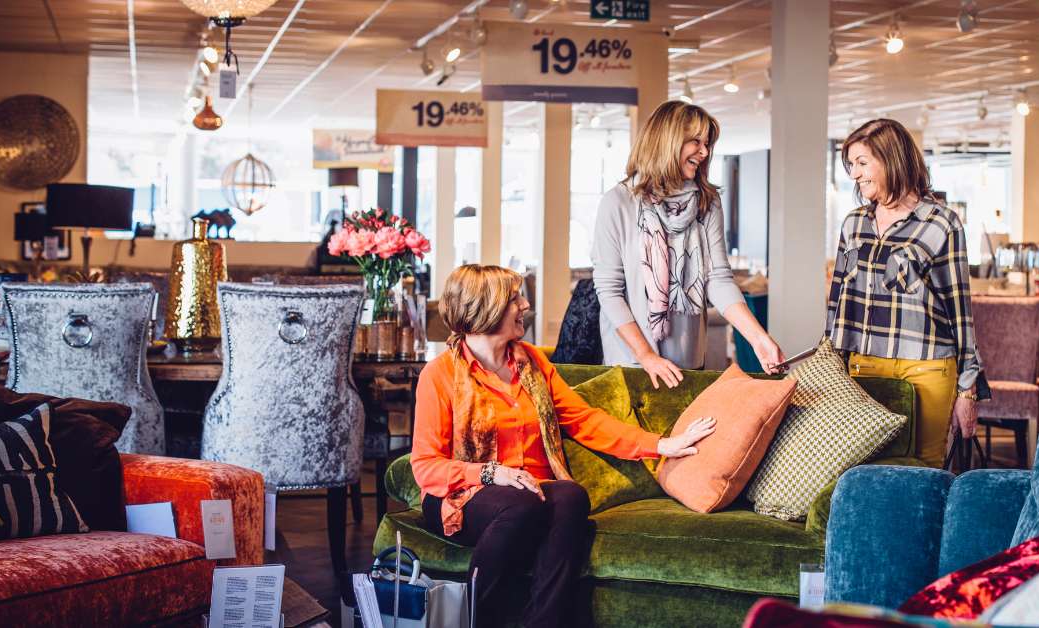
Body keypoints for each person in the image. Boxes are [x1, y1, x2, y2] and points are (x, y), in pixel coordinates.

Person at [411, 264, 715, 628]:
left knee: (571, 495)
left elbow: (584, 420)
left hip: (529, 491)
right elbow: (425, 467)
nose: (525, 305)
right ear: (486, 309)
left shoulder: (532, 362)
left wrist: (661, 445)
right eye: (514, 299)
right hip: (461, 494)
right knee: (521, 504)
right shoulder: (440, 374)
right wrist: (492, 474)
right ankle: (481, 619)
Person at [826, 118, 990, 468]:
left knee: (925, 469)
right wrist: (830, 358)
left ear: (891, 159)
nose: (854, 174)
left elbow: (959, 309)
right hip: (866, 362)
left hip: (928, 363)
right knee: (865, 467)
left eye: (862, 163)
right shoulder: (854, 223)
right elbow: (838, 299)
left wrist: (968, 388)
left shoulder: (942, 223)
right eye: (851, 165)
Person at [592, 101, 786, 388]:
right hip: (633, 362)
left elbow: (717, 279)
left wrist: (759, 339)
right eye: (696, 141)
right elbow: (609, 291)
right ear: (667, 141)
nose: (704, 152)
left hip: (689, 356)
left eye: (707, 144)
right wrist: (646, 356)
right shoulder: (619, 202)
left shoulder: (707, 201)